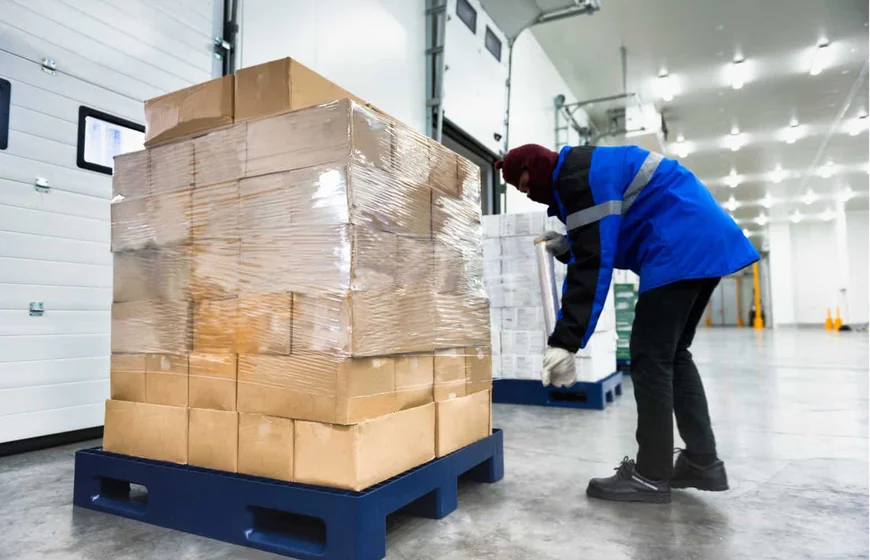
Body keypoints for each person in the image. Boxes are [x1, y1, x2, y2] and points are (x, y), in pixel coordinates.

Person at [495, 144, 759, 504]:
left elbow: (593, 265)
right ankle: (702, 461)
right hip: (703, 238)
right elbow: (609, 233)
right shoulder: (585, 169)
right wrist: (569, 245)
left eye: (525, 183)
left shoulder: (579, 177)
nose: (528, 193)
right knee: (674, 354)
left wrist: (565, 341)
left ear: (536, 165)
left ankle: (650, 475)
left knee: (650, 358)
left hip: (678, 243)